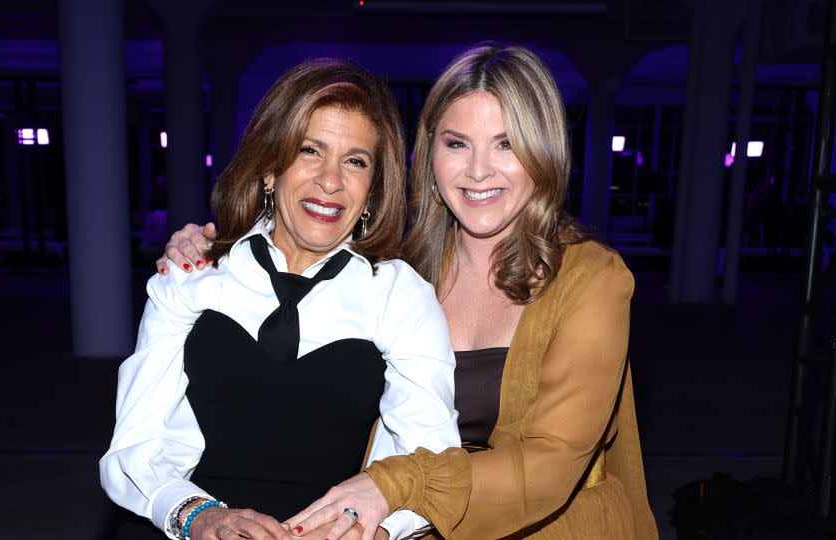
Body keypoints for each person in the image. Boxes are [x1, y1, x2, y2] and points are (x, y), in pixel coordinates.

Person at [161, 44, 658, 539]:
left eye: (506, 144)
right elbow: (305, 225)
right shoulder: (403, 270)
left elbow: (552, 465)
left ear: (543, 154)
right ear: (429, 154)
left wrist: (396, 488)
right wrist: (210, 245)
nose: (479, 170)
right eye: (457, 143)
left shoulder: (591, 278)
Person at [102, 59, 461, 540]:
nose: (331, 180)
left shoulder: (399, 294)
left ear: (372, 189)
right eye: (310, 151)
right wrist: (198, 517)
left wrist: (369, 532)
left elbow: (430, 456)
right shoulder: (191, 275)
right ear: (270, 169)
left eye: (355, 161)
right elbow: (135, 443)